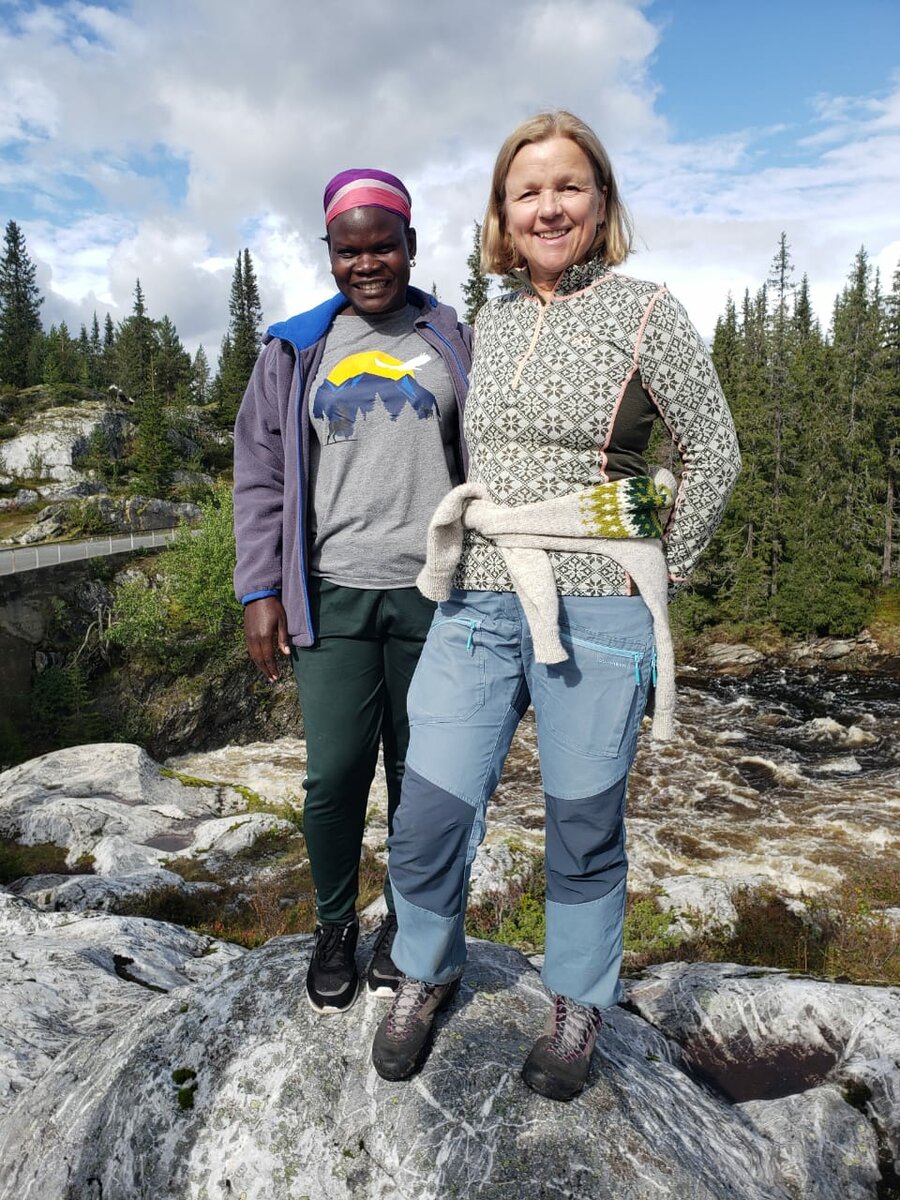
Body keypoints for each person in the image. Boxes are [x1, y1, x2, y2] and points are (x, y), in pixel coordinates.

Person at [371, 112, 741, 1099]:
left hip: (599, 611)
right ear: (503, 212)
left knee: (582, 824)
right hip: (482, 598)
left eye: (568, 186)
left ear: (602, 201)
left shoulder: (648, 311)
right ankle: (424, 970)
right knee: (430, 811)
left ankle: (578, 1003)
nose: (548, 206)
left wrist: (649, 571)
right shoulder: (484, 322)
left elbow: (712, 455)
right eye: (526, 191)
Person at [233, 169, 472, 1015]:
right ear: (329, 253)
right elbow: (260, 475)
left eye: (383, 246)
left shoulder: (452, 338)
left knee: (422, 775)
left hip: (435, 596)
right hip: (331, 595)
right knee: (335, 775)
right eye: (349, 249)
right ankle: (335, 922)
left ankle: (409, 928)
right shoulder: (295, 349)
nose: (366, 263)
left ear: (411, 244)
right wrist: (260, 587)